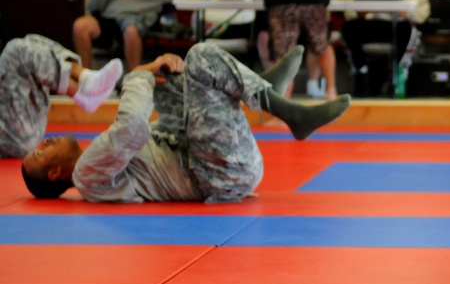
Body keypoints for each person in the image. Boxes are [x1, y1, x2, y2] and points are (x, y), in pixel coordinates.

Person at [21, 43, 351, 202]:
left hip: (213, 164)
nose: (44, 141)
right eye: (40, 153)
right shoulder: (87, 174)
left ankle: (264, 91)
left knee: (172, 80)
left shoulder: (94, 164)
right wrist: (139, 73)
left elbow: (155, 136)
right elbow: (132, 128)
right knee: (200, 57)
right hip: (219, 175)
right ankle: (286, 110)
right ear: (54, 174)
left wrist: (161, 72)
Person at [1, 35, 122, 158]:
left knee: (31, 41)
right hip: (13, 135)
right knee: (16, 51)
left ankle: (84, 80)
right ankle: (82, 88)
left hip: (20, 125)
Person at [341, 0, 430, 96]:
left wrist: (407, 12)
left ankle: (398, 74)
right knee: (349, 27)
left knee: (407, 30)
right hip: (370, 25)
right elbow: (350, 7)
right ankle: (361, 70)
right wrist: (359, 12)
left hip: (395, 27)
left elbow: (424, 10)